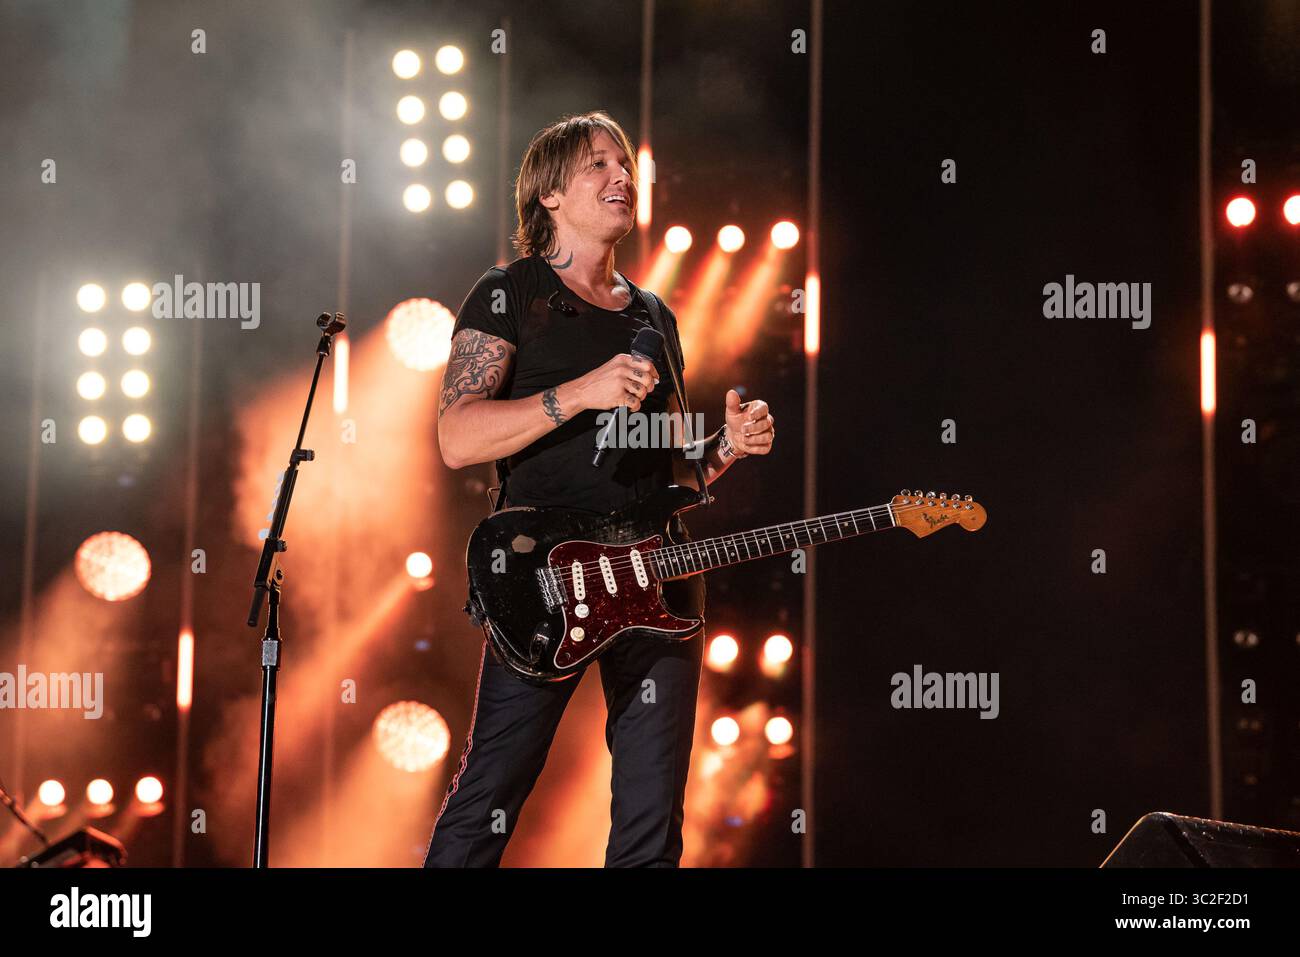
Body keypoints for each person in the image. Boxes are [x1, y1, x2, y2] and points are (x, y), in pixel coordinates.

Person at [424, 111, 775, 867]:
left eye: (626, 165)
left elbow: (671, 467)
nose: (622, 177)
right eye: (598, 165)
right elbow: (456, 436)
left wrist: (726, 448)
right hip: (546, 579)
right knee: (491, 791)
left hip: (660, 579)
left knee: (652, 822)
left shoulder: (655, 315)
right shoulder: (509, 292)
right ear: (548, 193)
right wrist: (578, 392)